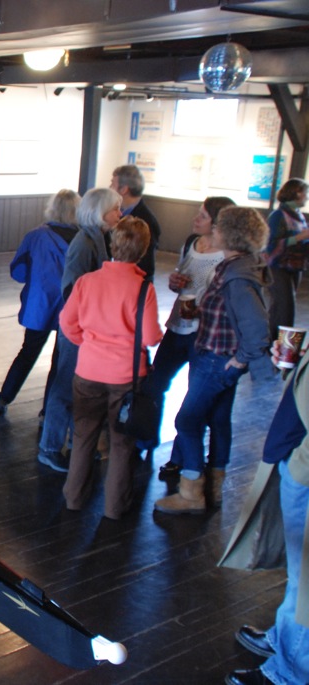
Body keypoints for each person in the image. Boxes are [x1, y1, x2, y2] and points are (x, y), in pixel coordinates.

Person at [154, 206, 273, 515]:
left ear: (232, 235)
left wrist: (240, 360)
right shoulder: (238, 266)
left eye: (219, 226)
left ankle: (191, 493)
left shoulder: (236, 276)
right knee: (218, 418)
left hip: (216, 358)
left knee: (186, 420)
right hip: (218, 355)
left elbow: (257, 328)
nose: (214, 230)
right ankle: (213, 488)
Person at [60, 216, 162, 519]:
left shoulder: (86, 282)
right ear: (143, 250)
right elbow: (151, 337)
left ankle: (74, 498)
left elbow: (67, 322)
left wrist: (87, 343)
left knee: (83, 437)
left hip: (88, 370)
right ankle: (115, 508)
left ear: (112, 244)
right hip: (127, 377)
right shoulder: (143, 289)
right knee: (121, 443)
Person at [226, 342, 309, 685]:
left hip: (305, 468)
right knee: (299, 570)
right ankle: (287, 640)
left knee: (306, 577)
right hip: (297, 458)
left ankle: (291, 673)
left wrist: (301, 463)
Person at [145, 196, 234, 473]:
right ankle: (145, 438)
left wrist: (200, 310)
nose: (196, 219)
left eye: (203, 216)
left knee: (194, 399)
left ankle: (180, 459)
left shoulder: (229, 255)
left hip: (205, 335)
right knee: (155, 383)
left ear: (218, 224)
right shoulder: (191, 242)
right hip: (178, 326)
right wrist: (175, 282)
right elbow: (182, 280)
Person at [36, 187, 122, 472]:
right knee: (65, 387)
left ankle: (77, 444)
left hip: (87, 325)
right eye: (115, 209)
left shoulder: (98, 238)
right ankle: (49, 448)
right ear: (100, 212)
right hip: (78, 325)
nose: (119, 214)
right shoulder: (85, 242)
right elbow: (73, 289)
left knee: (81, 387)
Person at [0, 189, 80, 415]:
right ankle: (47, 413)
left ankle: (4, 398)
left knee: (28, 351)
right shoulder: (83, 239)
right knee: (60, 360)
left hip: (40, 304)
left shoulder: (36, 236)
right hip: (70, 305)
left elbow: (18, 272)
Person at [265, 178, 309, 340]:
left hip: (294, 266)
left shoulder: (298, 215)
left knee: (282, 307)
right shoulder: (278, 216)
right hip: (278, 266)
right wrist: (300, 237)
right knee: (284, 307)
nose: (307, 197)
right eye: (305, 193)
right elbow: (270, 245)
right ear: (296, 193)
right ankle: (281, 345)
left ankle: (274, 342)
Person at [111, 165, 161, 278]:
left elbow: (146, 267)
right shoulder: (120, 213)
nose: (109, 188)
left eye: (112, 184)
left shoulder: (146, 222)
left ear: (124, 189)